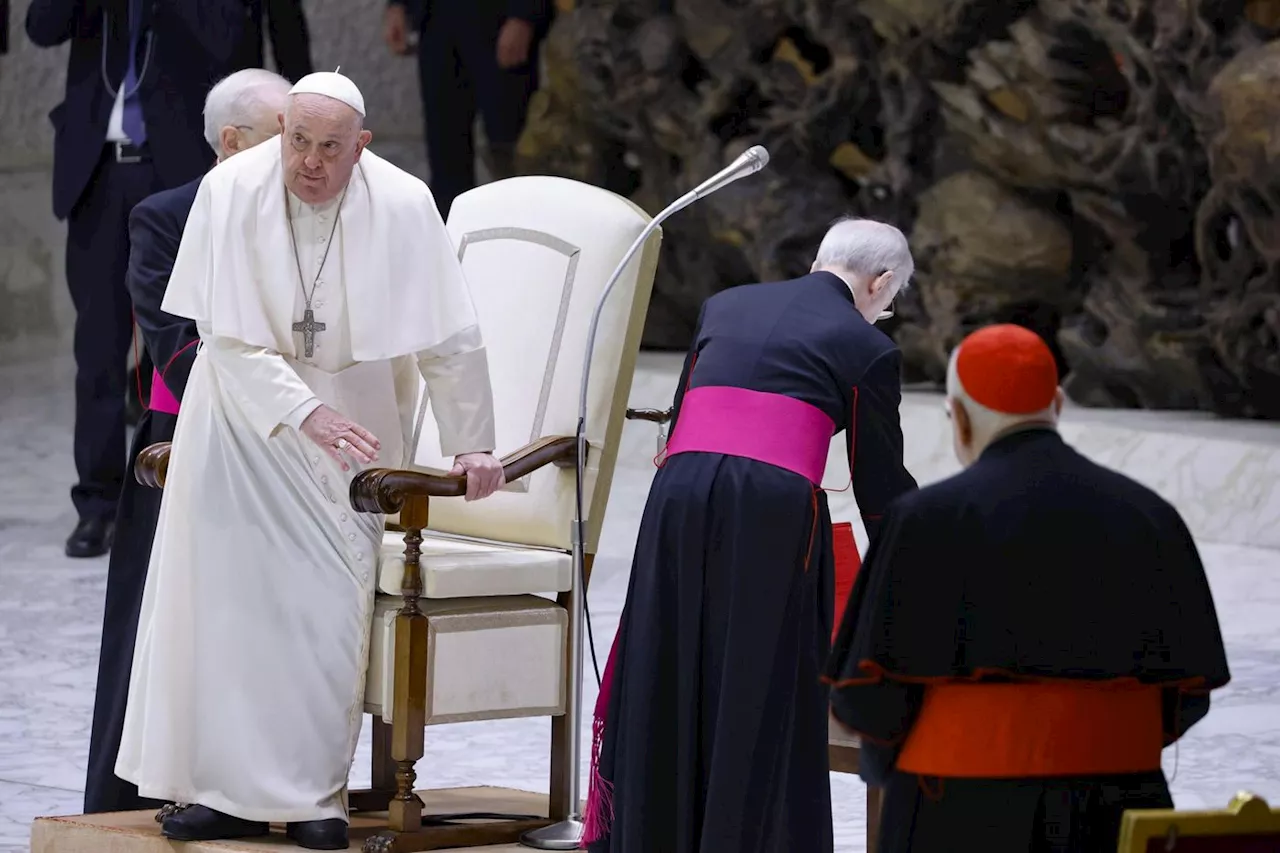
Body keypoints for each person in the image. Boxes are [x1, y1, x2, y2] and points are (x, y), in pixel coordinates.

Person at [114, 71, 505, 851]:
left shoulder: (401, 203)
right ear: (282, 129)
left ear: (360, 146)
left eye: (331, 148)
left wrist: (472, 437)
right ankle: (220, 794)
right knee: (224, 615)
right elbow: (223, 335)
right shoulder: (230, 191)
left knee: (322, 615)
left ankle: (312, 797)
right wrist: (303, 410)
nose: (311, 163)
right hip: (239, 428)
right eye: (298, 141)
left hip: (351, 430)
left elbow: (449, 331)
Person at [824, 324, 1231, 852]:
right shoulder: (1149, 514)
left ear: (961, 419)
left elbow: (866, 700)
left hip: (955, 808)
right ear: (1057, 404)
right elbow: (1188, 694)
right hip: (1113, 809)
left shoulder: (925, 520)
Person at [585, 218, 920, 853]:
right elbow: (879, 490)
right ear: (879, 283)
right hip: (771, 508)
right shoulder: (867, 346)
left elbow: (684, 415)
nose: (888, 310)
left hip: (677, 496)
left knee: (671, 655)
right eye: (893, 298)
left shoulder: (725, 304)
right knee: (760, 678)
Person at [84, 68, 295, 817]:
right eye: (285, 133)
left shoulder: (315, 222)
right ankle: (133, 797)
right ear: (232, 141)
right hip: (185, 447)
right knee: (159, 634)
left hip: (292, 445)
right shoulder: (166, 216)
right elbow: (178, 344)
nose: (301, 153)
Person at [25, 0, 252, 558]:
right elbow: (40, 27)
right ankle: (96, 504)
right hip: (97, 172)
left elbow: (227, 42)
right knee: (97, 350)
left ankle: (169, 494)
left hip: (171, 171)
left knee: (173, 344)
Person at [383, 0, 553, 218]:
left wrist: (525, 15)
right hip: (437, 19)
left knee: (512, 151)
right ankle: (448, 241)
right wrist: (398, 5)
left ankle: (523, 236)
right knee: (445, 153)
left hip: (498, 20)